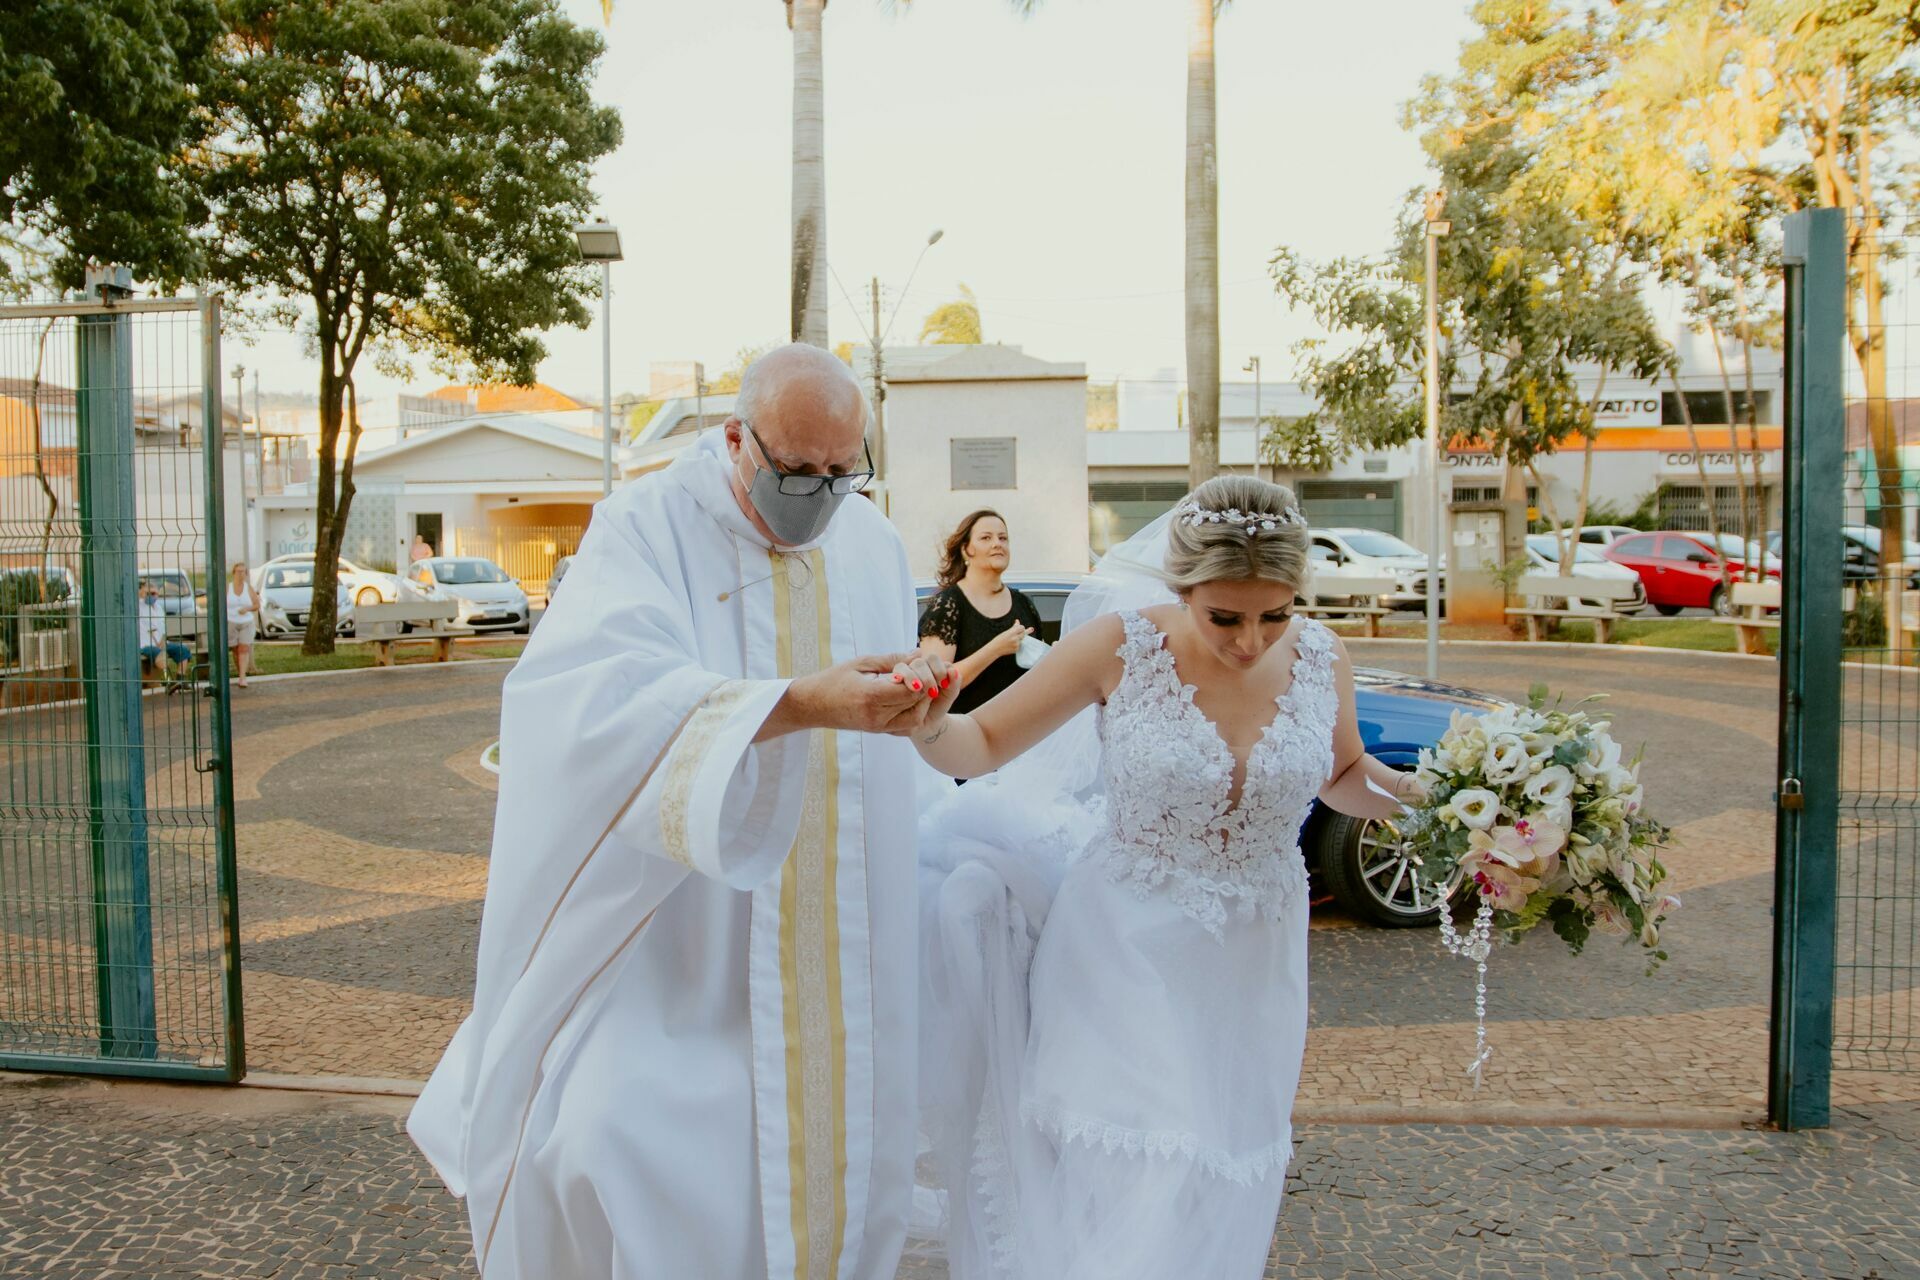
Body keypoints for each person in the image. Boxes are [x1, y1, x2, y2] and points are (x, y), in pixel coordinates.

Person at [410, 345, 946, 1280]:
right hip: (686, 935)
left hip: (843, 933)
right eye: (795, 472)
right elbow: (593, 704)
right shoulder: (646, 527)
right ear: (737, 438)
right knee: (627, 1144)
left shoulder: (872, 543)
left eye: (841, 471)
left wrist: (915, 700)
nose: (821, 494)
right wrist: (794, 705)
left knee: (851, 1150)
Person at [903, 476, 1421, 1279]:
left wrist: (1455, 802)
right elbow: (982, 745)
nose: (1252, 641)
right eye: (1225, 617)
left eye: (1274, 614)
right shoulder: (1121, 645)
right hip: (1125, 950)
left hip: (1254, 965)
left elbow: (1345, 769)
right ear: (1182, 588)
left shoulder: (1323, 656)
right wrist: (929, 722)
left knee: (1219, 1166)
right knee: (1144, 1162)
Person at [918, 510, 1044, 719]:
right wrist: (995, 649)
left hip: (1019, 734)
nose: (997, 543)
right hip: (965, 734)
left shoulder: (1023, 604)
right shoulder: (948, 605)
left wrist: (1052, 657)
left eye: (1003, 538)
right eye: (986, 538)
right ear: (967, 550)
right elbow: (936, 684)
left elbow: (1036, 678)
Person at [137, 579, 192, 682]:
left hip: (160, 643)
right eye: (148, 593)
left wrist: (162, 641)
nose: (151, 596)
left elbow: (162, 629)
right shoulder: (138, 606)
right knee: (160, 654)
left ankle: (180, 680)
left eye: (154, 593)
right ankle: (168, 681)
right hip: (145, 645)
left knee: (183, 650)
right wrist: (142, 592)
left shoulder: (159, 608)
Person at [224, 563, 260, 690]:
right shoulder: (227, 588)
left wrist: (247, 608)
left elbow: (256, 604)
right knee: (235, 650)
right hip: (231, 622)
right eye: (238, 572)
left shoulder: (248, 588)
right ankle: (241, 673)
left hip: (246, 622)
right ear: (233, 573)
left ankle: (242, 677)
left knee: (244, 648)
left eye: (243, 572)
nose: (241, 574)